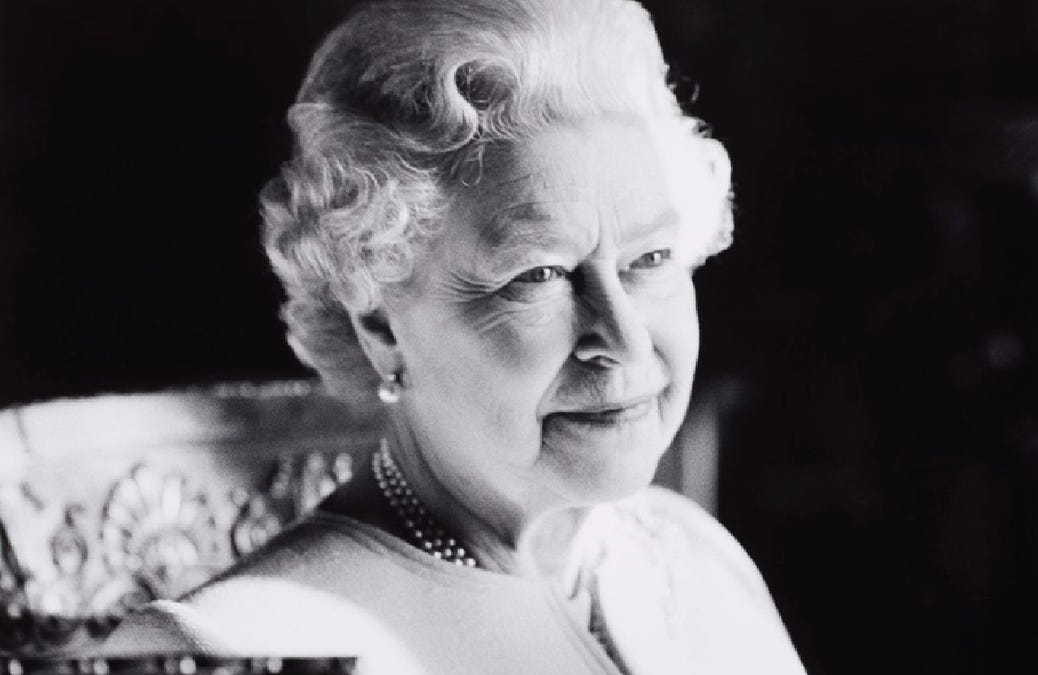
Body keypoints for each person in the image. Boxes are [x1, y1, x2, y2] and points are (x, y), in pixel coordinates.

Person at [104, 0, 805, 672]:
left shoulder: (696, 557)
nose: (624, 340)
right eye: (539, 274)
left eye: (649, 259)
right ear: (379, 323)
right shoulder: (228, 646)